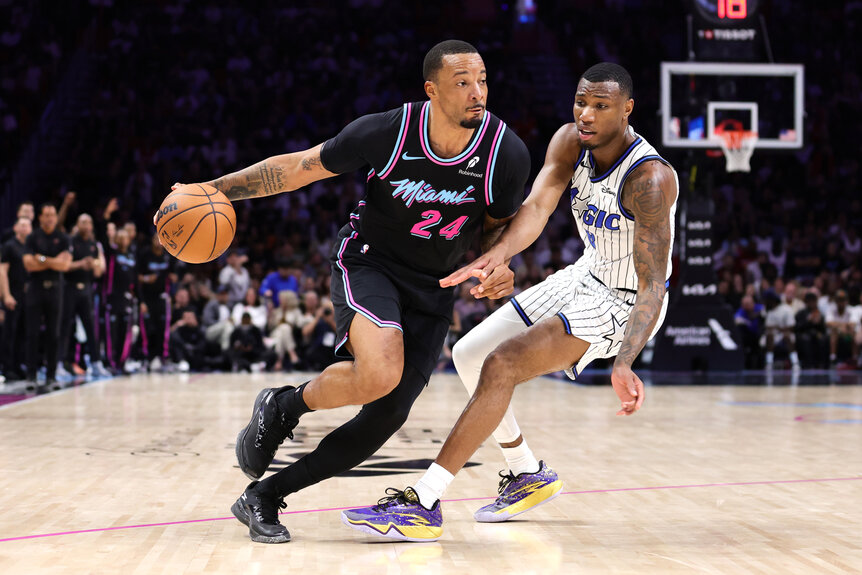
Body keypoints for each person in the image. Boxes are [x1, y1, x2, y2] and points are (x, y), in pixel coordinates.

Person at [157, 40, 529, 544]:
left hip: (433, 288)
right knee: (379, 370)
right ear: (432, 90)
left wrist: (499, 263)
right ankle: (286, 407)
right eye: (463, 82)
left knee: (386, 417)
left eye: (482, 80)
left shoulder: (504, 152)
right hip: (369, 261)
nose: (477, 93)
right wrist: (213, 189)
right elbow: (296, 168)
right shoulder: (388, 132)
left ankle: (265, 491)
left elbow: (495, 230)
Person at [341, 62, 679, 542]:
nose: (586, 114)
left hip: (627, 299)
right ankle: (527, 473)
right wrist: (495, 257)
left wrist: (625, 359)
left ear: (627, 110)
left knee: (501, 365)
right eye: (581, 102)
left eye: (600, 107)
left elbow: (652, 285)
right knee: (469, 354)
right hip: (589, 271)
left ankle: (425, 502)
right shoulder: (569, 142)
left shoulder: (649, 180)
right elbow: (538, 206)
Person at [23, 204, 72, 389]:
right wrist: (54, 261)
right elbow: (28, 264)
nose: (50, 218)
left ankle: (51, 376)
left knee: (54, 334)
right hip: (35, 289)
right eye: (47, 215)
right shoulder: (32, 237)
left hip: (56, 290)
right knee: (32, 333)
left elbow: (65, 266)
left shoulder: (63, 238)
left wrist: (42, 259)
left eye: (53, 215)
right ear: (41, 217)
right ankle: (31, 376)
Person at [59, 213, 110, 378]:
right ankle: (59, 363)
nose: (86, 225)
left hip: (87, 290)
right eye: (83, 222)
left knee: (90, 328)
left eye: (88, 222)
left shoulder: (94, 245)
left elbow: (99, 271)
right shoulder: (70, 242)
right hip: (70, 289)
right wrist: (81, 264)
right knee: (65, 327)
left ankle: (96, 364)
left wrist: (95, 265)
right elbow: (64, 266)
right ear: (77, 224)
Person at [0, 217, 32, 381]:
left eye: (27, 225)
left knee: (23, 332)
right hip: (13, 292)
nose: (25, 228)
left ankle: (19, 366)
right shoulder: (9, 246)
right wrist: (6, 295)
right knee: (9, 331)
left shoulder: (30, 247)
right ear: (15, 227)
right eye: (22, 225)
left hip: (28, 296)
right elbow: (2, 271)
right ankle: (7, 367)